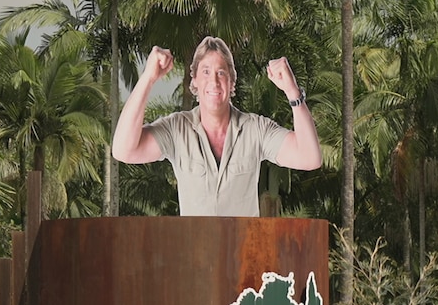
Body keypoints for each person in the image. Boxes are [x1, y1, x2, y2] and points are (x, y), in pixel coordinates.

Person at [112, 36, 322, 217]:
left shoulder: (256, 129)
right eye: (205, 72)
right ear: (194, 81)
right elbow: (124, 151)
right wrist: (149, 77)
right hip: (193, 260)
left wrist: (293, 92)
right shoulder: (176, 129)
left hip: (244, 259)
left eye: (221, 73)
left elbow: (310, 158)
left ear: (232, 82)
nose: (214, 81)